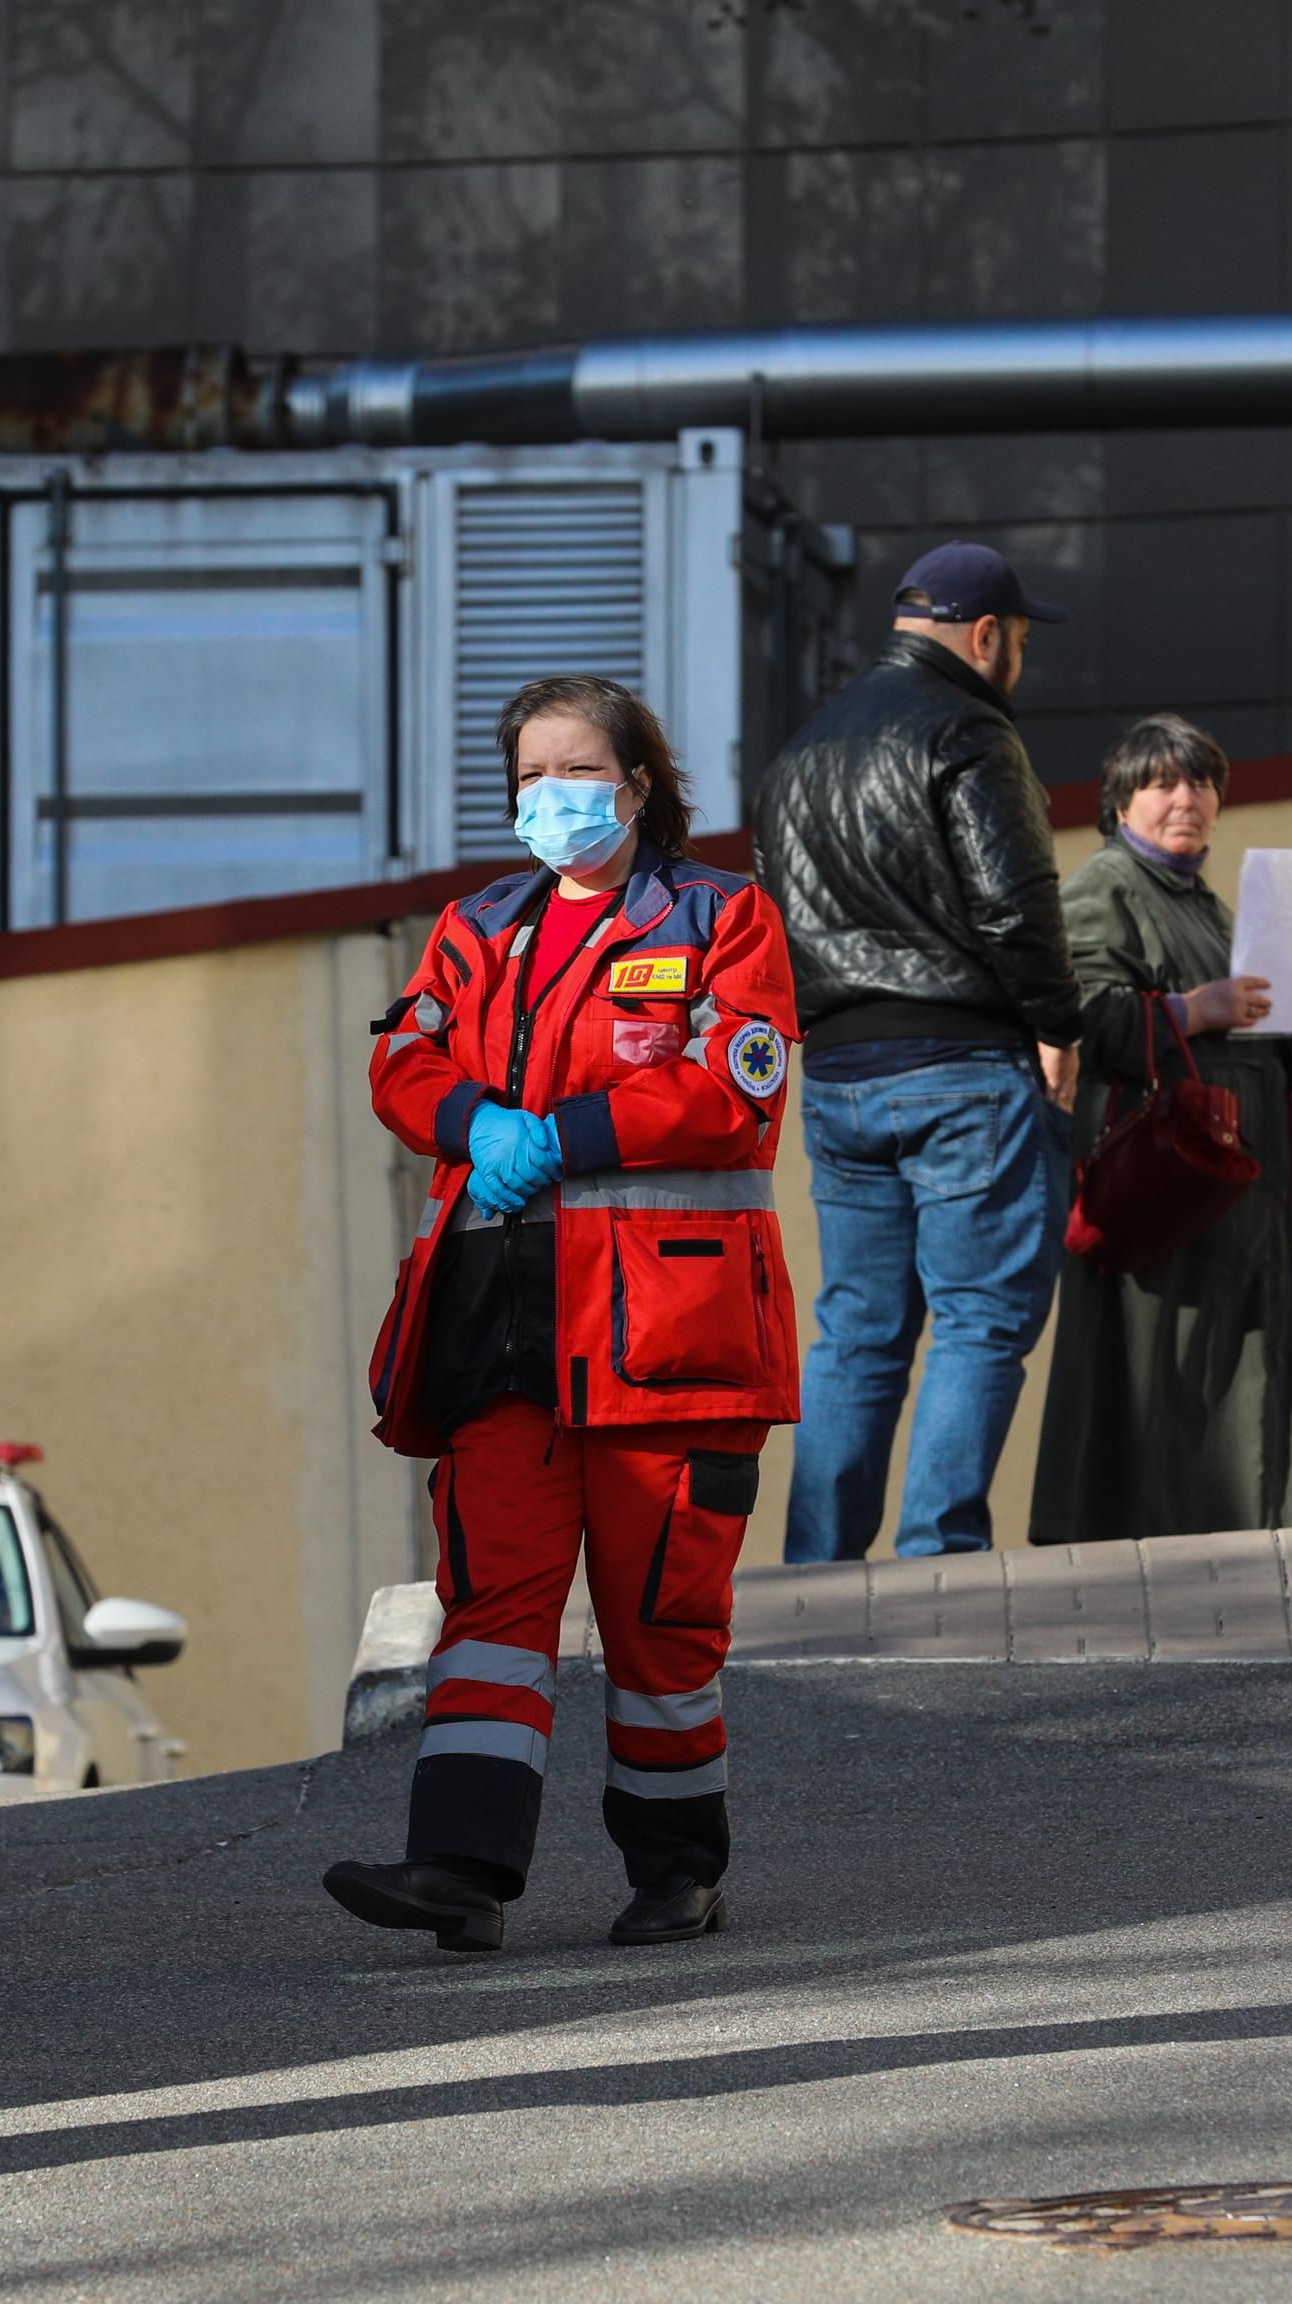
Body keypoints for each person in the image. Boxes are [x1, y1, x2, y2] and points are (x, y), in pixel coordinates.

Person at [325, 674, 800, 1955]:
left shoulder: (721, 918)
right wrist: (470, 1122)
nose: (550, 798)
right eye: (529, 777)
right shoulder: (478, 925)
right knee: (490, 1612)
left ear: (640, 785)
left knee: (662, 1623)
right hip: (499, 1327)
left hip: (669, 1337)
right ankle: (459, 1872)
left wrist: (565, 1134)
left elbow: (730, 1086)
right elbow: (400, 1055)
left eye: (576, 772)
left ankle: (676, 1873)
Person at [749, 541, 1087, 1562]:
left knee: (855, 1331)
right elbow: (1013, 902)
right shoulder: (970, 732)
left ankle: (814, 1562)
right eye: (1018, 641)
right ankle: (935, 1557)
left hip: (838, 1075)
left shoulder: (796, 751)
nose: (1019, 661)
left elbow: (772, 917)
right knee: (979, 1319)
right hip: (961, 1068)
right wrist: (1056, 1024)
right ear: (986, 636)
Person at [1028, 714, 1292, 1544]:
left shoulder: (1203, 901)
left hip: (1231, 1193)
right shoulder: (1104, 886)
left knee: (1227, 1371)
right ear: (1122, 802)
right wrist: (1187, 1010)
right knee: (1156, 1373)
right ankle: (1152, 1553)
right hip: (1162, 1200)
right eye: (1164, 782)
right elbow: (1073, 1016)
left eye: (1200, 782)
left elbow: (1239, 1041)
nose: (1186, 799)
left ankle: (1238, 1543)